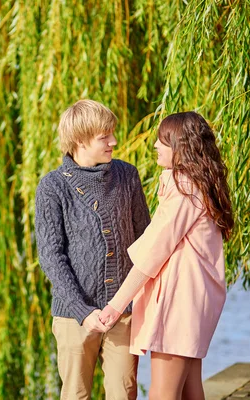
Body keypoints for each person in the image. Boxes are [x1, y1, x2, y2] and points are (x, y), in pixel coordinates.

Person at [99, 111, 234, 400]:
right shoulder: (200, 186)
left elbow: (152, 253)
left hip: (179, 304)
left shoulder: (184, 189)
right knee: (190, 389)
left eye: (163, 141)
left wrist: (114, 306)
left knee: (163, 393)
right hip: (194, 302)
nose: (156, 146)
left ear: (181, 147)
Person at [35, 99, 151, 399]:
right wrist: (82, 311)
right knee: (76, 394)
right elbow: (51, 256)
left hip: (122, 312)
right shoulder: (52, 187)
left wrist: (130, 301)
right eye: (105, 136)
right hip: (74, 316)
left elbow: (145, 239)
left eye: (112, 133)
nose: (114, 141)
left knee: (123, 391)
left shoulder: (127, 175)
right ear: (80, 140)